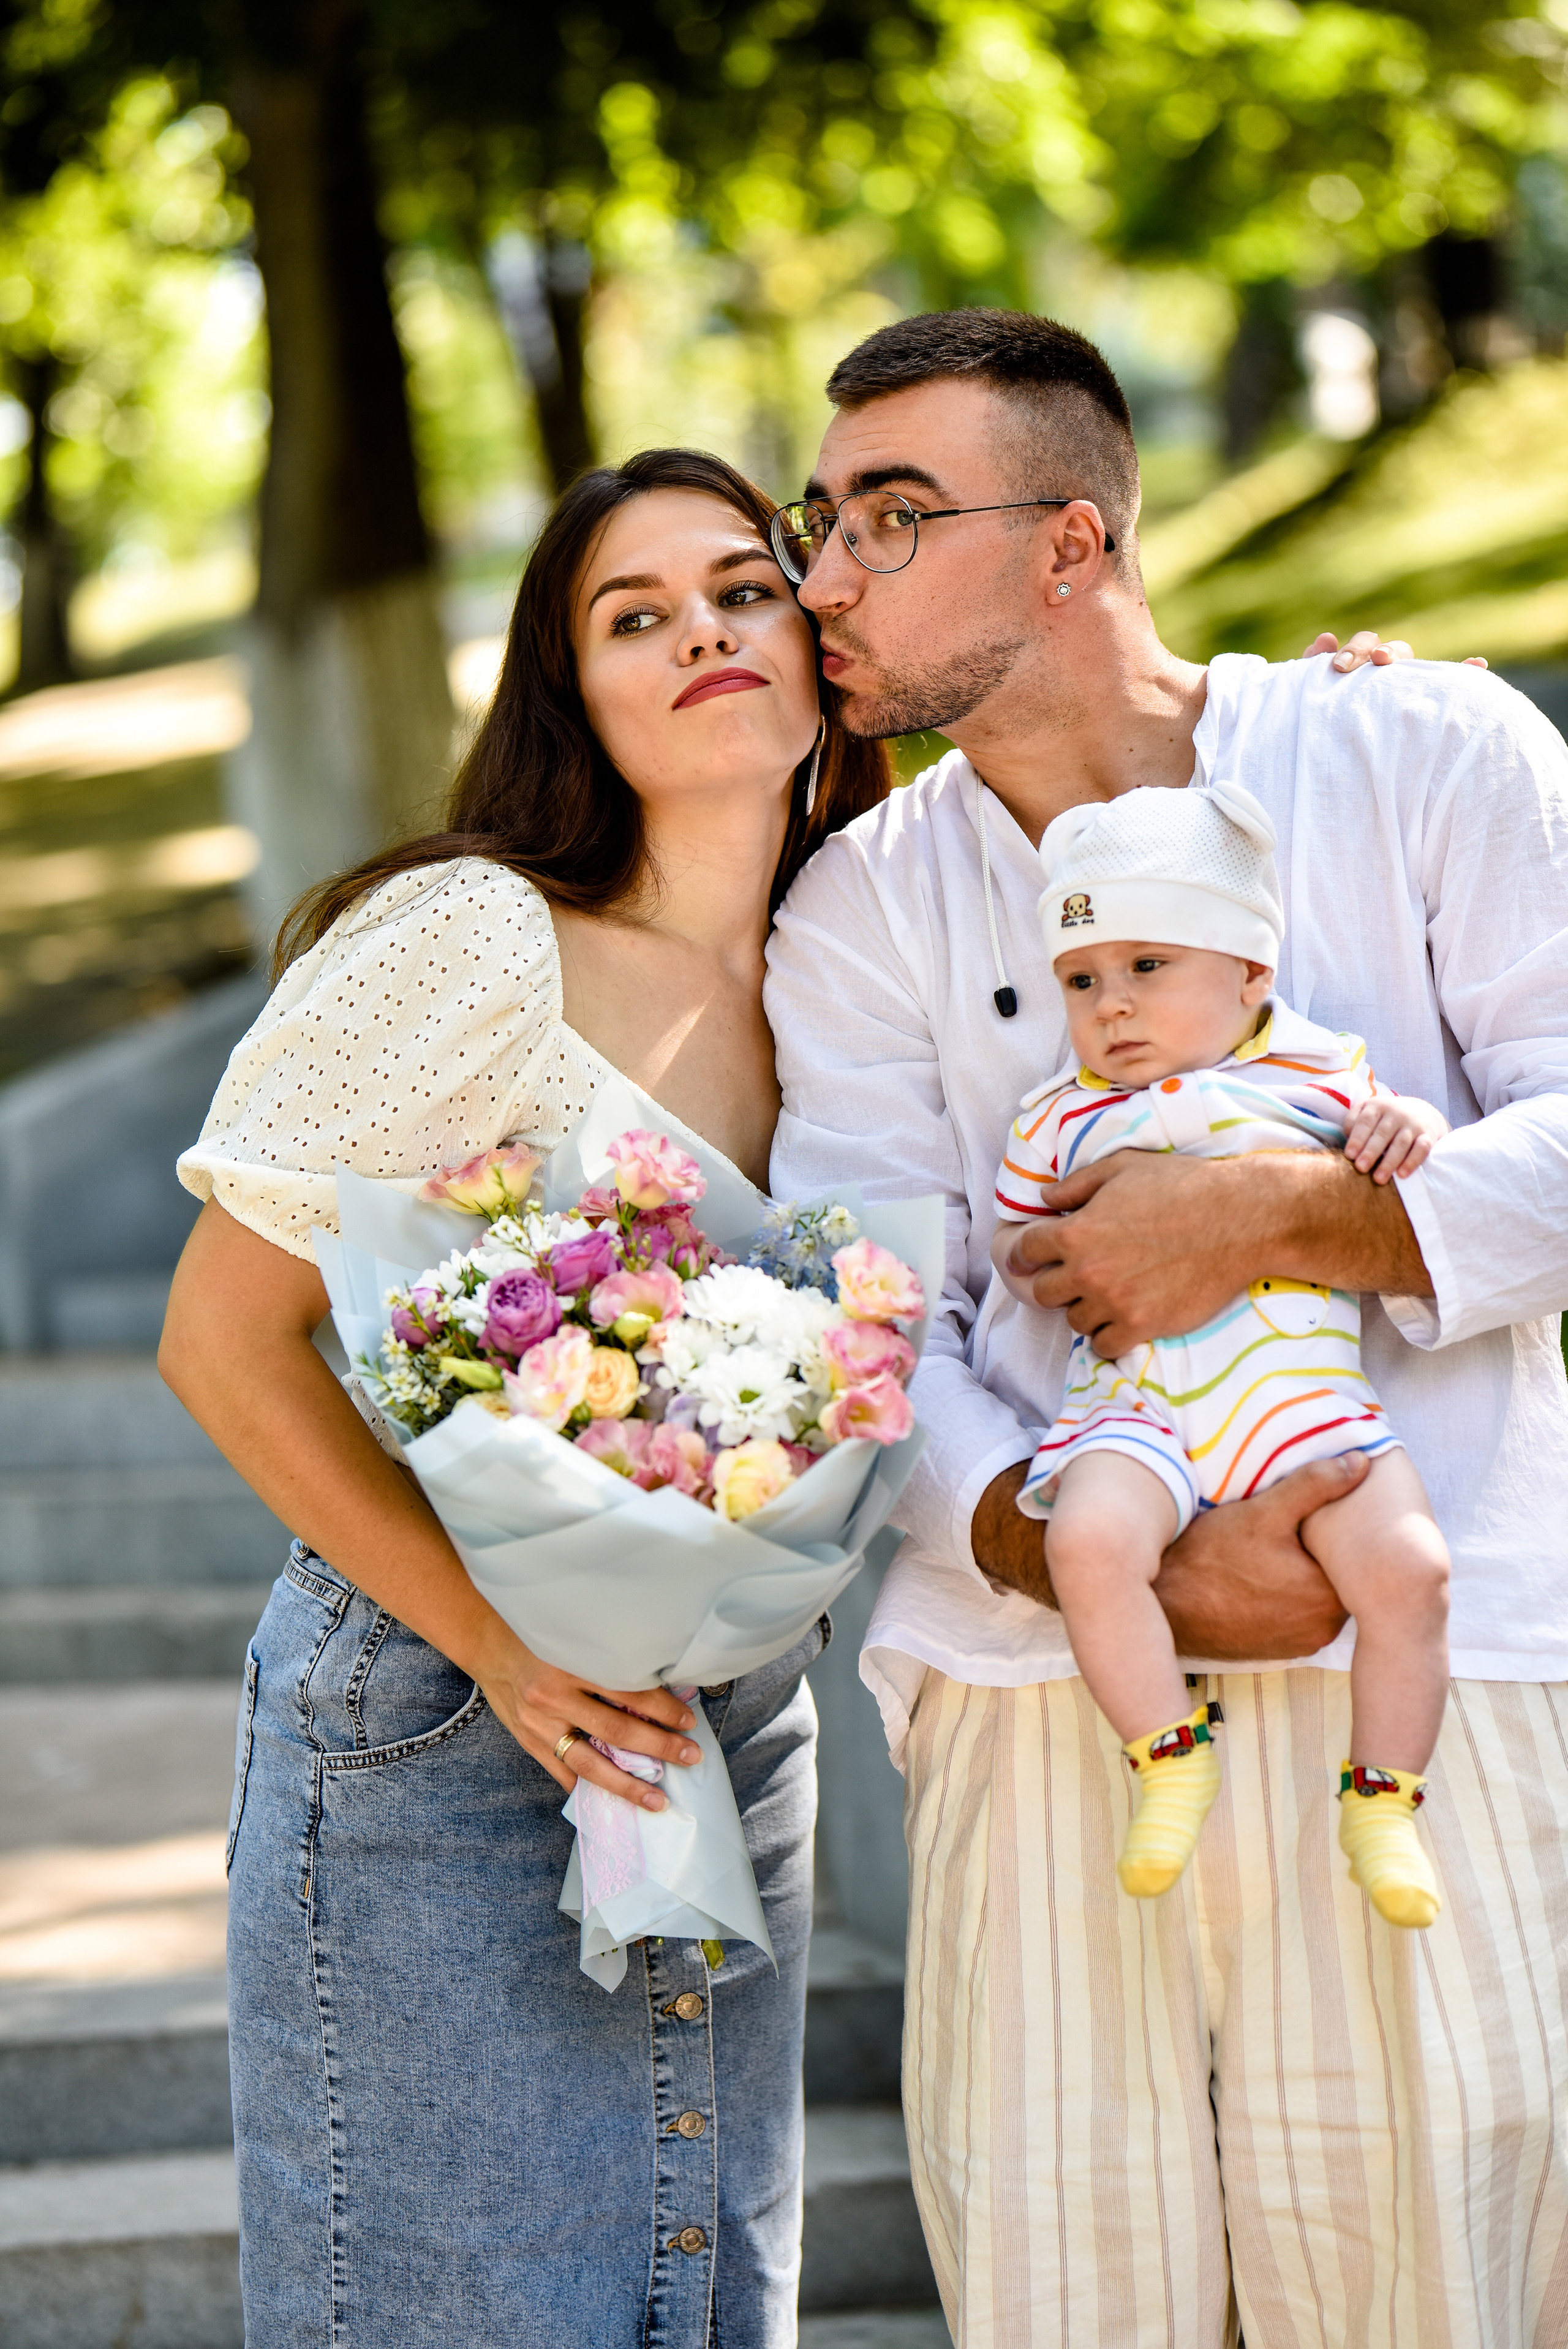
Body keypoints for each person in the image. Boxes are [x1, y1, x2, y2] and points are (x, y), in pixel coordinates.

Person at [763, 308, 1568, 2345]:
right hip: (1036, 1681)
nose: (824, 577)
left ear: (1073, 543)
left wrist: (1278, 1213)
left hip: (1434, 1655)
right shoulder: (858, 903)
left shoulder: (1422, 750)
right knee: (1067, 2290)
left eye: (890, 517)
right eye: (817, 520)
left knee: (1432, 2288)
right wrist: (1055, 1536)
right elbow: (872, 1314)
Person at [159, 447, 890, 2348]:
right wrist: (499, 1645)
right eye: (635, 616)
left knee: (703, 2301)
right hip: (440, 1711)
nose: (703, 632)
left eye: (742, 588)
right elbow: (223, 1338)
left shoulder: (861, 958)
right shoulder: (480, 937)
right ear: (575, 693)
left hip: (736, 1716)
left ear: (818, 635)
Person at [987, 780, 1450, 1923]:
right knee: (1087, 1542)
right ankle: (1167, 1755)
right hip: (1136, 1407)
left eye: (1149, 966)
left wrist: (1413, 1127)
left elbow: (1410, 1157)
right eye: (1082, 980)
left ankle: (1384, 1802)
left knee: (1411, 1571)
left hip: (1301, 1404)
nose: (1112, 1006)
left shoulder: (1322, 1073)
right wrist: (1045, 1260)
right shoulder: (1058, 1115)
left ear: (1250, 972)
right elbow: (1015, 1246)